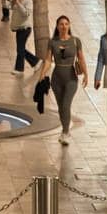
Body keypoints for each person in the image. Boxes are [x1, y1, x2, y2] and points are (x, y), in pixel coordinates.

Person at [38, 15, 87, 144]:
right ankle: (64, 129)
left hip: (71, 78)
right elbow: (48, 59)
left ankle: (65, 132)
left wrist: (86, 75)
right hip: (56, 78)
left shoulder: (76, 41)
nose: (64, 26)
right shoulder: (53, 41)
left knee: (66, 104)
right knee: (61, 107)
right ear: (57, 26)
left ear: (69, 25)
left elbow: (81, 59)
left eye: (66, 24)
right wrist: (42, 73)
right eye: (61, 24)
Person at [10, 0, 39, 72]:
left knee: (20, 49)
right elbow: (9, 7)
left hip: (25, 29)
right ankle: (34, 62)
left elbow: (26, 13)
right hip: (18, 28)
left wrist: (18, 3)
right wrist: (4, 1)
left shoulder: (28, 1)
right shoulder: (17, 0)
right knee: (20, 49)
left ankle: (20, 69)